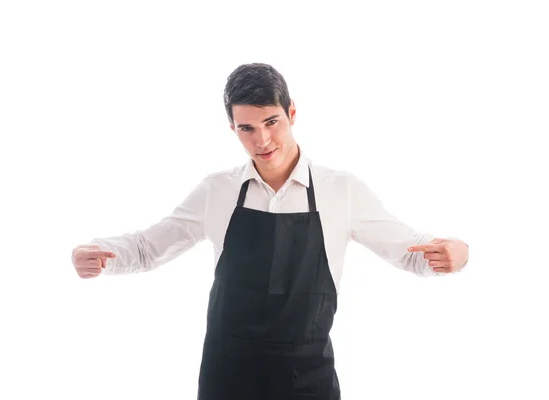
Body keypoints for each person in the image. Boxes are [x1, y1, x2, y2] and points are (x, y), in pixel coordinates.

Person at [71, 63, 470, 399]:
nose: (261, 140)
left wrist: (457, 252)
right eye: (246, 128)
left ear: (292, 112)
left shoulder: (340, 191)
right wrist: (100, 253)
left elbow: (408, 250)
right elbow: (147, 247)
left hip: (307, 377)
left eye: (271, 121)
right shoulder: (218, 191)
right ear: (232, 128)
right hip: (228, 375)